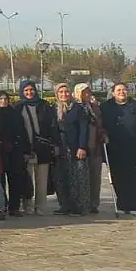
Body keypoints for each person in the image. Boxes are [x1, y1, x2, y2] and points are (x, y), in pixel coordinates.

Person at [101, 82, 136, 216]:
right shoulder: (106, 107)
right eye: (118, 90)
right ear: (113, 93)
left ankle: (135, 205)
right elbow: (99, 124)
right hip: (114, 148)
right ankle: (122, 205)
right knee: (118, 178)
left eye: (124, 90)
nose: (121, 92)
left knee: (135, 177)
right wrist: (103, 134)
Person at [17, 80, 58, 215]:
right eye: (26, 90)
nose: (29, 93)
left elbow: (52, 126)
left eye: (31, 90)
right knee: (27, 178)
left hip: (43, 147)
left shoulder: (44, 105)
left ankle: (40, 206)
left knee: (42, 179)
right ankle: (27, 205)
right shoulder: (18, 107)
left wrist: (55, 144)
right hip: (26, 148)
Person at [52, 82, 89, 216]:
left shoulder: (78, 108)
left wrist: (82, 147)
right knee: (61, 178)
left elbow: (84, 128)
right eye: (61, 92)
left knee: (78, 179)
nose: (64, 95)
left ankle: (79, 207)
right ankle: (65, 205)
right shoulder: (54, 108)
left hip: (75, 147)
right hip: (60, 148)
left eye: (66, 92)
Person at [0, 92, 32, 216]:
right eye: (0, 99)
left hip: (15, 150)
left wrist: (26, 150)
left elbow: (23, 131)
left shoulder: (15, 114)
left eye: (5, 99)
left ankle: (14, 207)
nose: (3, 101)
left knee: (15, 179)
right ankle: (1, 205)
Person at [75, 84, 107, 213]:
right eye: (83, 93)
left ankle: (94, 203)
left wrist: (104, 134)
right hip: (80, 147)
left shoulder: (95, 108)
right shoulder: (75, 107)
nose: (86, 95)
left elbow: (101, 124)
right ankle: (83, 202)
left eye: (88, 92)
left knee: (95, 176)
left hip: (95, 146)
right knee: (82, 177)